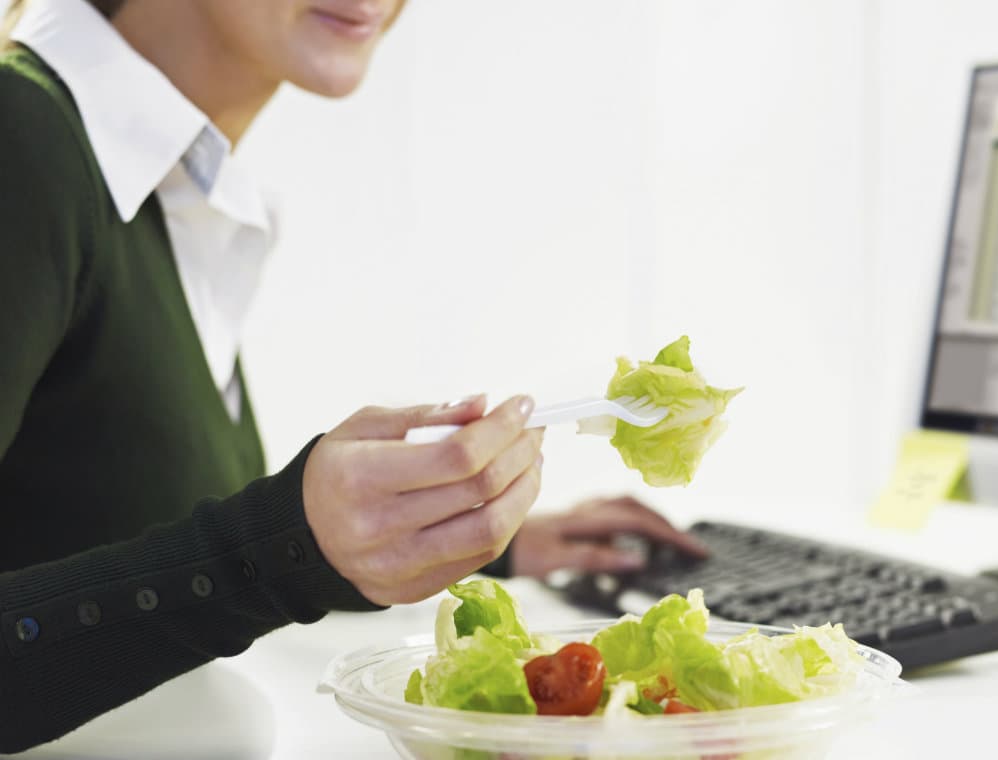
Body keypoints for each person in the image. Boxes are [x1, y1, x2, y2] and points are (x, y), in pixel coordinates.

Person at [0, 0, 706, 752]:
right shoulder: (21, 143)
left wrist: (444, 536)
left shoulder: (156, 182)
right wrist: (286, 548)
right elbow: (233, 562)